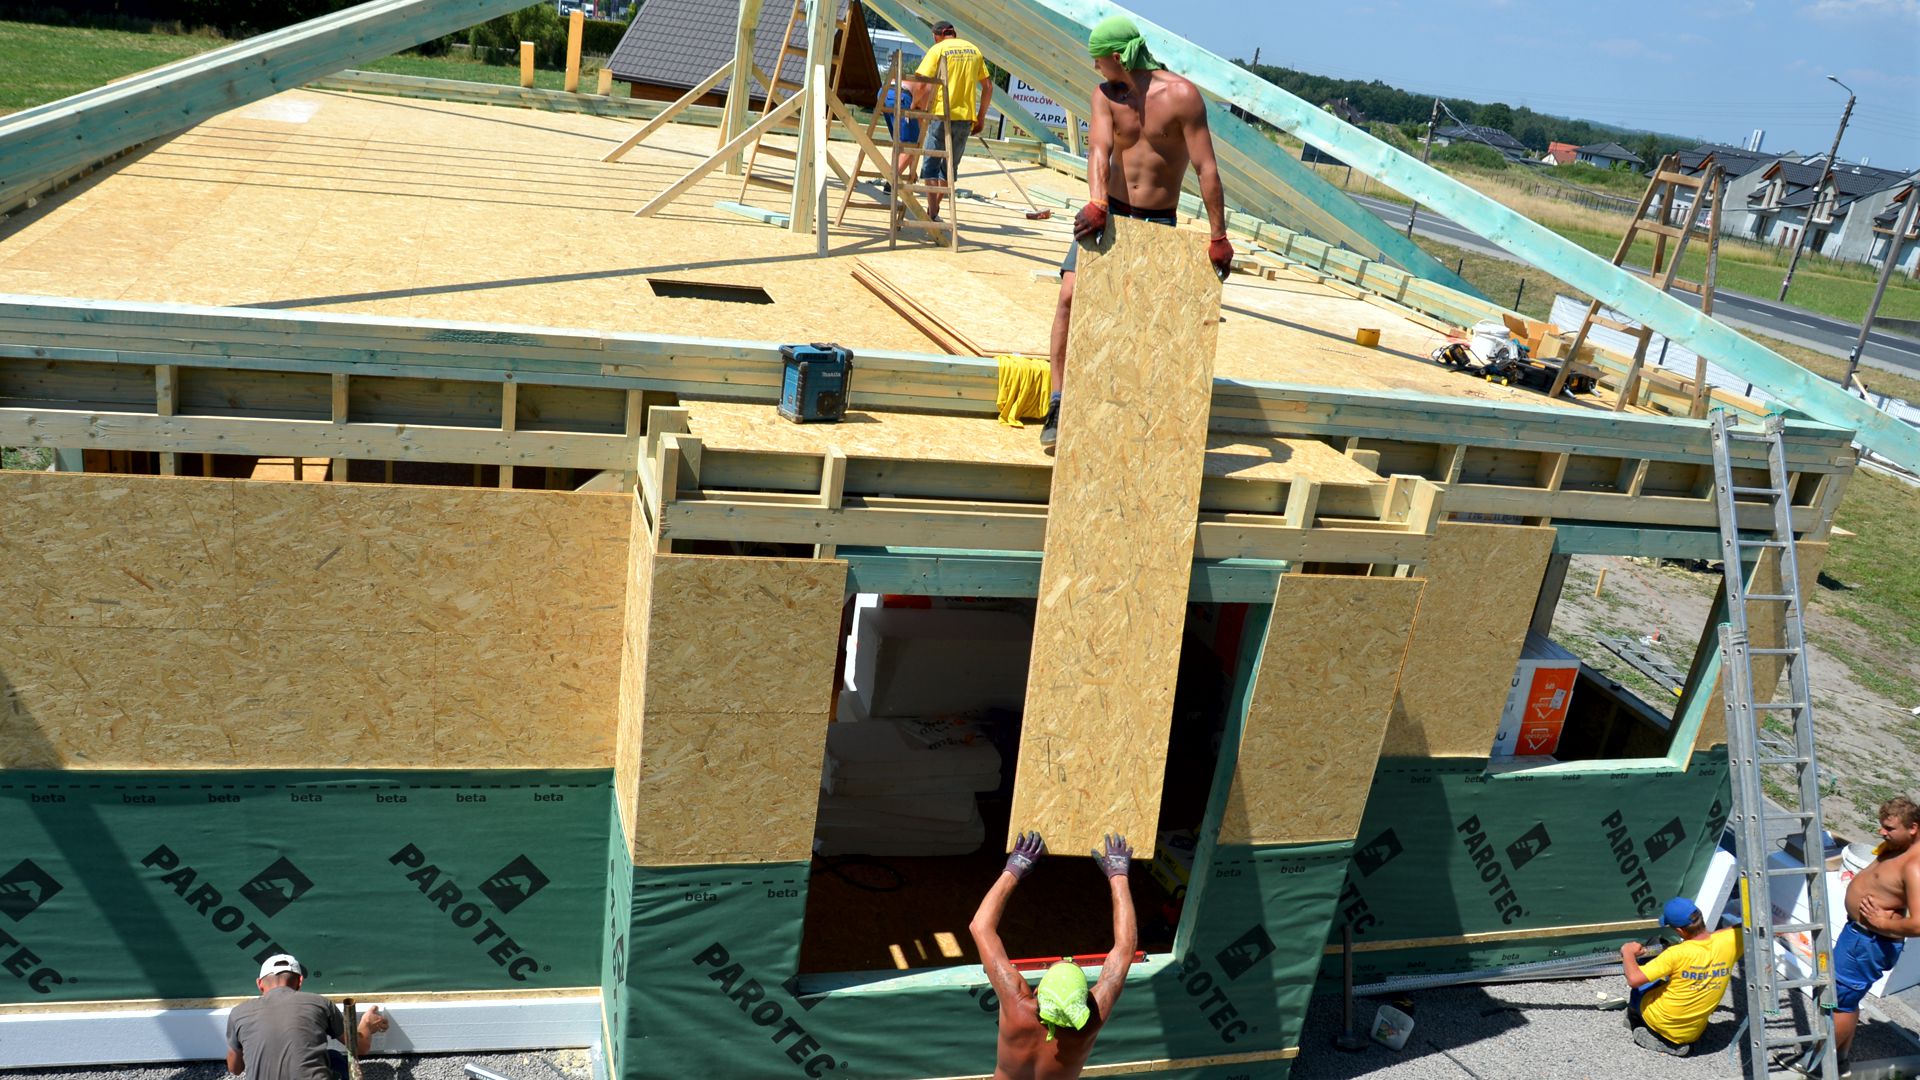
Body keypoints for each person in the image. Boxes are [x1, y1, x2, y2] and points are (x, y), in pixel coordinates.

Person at [1040, 15, 1232, 451]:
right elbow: (1099, 149)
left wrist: (1218, 235)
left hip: (1158, 222)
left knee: (1145, 320)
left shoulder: (1182, 96)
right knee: (1069, 297)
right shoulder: (1106, 95)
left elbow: (1206, 167)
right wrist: (1097, 202)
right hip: (1109, 213)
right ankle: (1058, 402)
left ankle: (1132, 410)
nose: (1095, 68)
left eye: (1098, 59)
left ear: (1117, 56)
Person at [968, 831, 1137, 1080]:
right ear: (1085, 1002)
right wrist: (1118, 875)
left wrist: (1014, 868)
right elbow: (1125, 949)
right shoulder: (1089, 1023)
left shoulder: (1017, 1006)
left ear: (1037, 992)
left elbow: (980, 927)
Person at [1830, 795, 1920, 1069]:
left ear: (1913, 828)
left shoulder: (1914, 867)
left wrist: (1883, 923)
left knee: (1839, 1003)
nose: (1882, 832)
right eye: (1882, 825)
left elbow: (1918, 924)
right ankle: (1839, 1059)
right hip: (1859, 935)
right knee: (1846, 1000)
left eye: (1889, 828)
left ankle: (1819, 1065)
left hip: (1869, 941)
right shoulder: (1898, 846)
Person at [227, 954, 388, 1080]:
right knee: (335, 1059)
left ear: (259, 984)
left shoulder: (239, 1013)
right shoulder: (319, 1003)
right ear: (300, 981)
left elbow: (235, 1069)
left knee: (332, 1057)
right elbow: (359, 1047)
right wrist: (367, 1023)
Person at [1618, 897, 1741, 1057]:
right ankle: (1675, 1037)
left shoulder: (1676, 954)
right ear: (1700, 917)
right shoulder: (1729, 941)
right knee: (1669, 981)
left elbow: (1634, 979)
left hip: (1663, 1023)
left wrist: (1628, 952)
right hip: (1693, 1032)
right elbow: (1743, 927)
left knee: (1643, 981)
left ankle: (1649, 1030)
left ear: (1680, 931)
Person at [903, 21, 991, 222]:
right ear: (954, 33)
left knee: (930, 166)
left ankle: (932, 212)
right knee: (949, 168)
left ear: (937, 36)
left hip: (941, 115)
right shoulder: (974, 50)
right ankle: (934, 211)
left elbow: (922, 84)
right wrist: (981, 117)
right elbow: (988, 87)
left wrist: (914, 106)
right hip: (965, 118)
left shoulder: (938, 49)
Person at [877, 81, 920, 191]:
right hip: (901, 96)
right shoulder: (932, 88)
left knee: (899, 143)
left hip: (885, 92)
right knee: (911, 145)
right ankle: (891, 182)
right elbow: (913, 144)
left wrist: (912, 168)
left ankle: (893, 177)